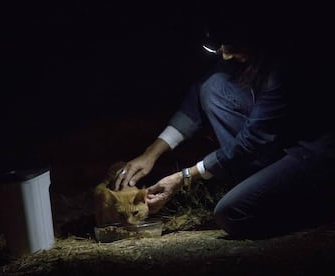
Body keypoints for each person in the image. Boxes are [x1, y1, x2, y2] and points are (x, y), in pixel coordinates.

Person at [112, 14, 335, 239]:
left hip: (313, 153)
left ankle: (314, 208)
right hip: (279, 142)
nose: (226, 55)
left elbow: (251, 140)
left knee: (231, 213)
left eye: (233, 46)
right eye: (221, 46)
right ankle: (262, 183)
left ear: (258, 38)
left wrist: (184, 177)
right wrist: (151, 154)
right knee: (213, 85)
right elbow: (195, 100)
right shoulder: (248, 56)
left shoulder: (286, 65)